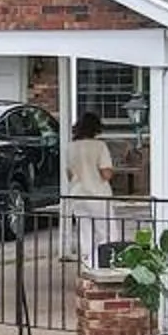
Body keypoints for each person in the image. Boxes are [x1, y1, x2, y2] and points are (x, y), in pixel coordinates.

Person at [63, 110, 117, 257]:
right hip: (98, 195)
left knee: (85, 232)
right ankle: (104, 263)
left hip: (78, 194)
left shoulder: (70, 147)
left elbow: (69, 174)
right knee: (106, 233)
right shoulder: (99, 146)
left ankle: (88, 264)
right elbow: (106, 173)